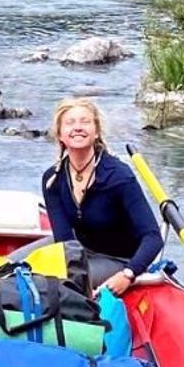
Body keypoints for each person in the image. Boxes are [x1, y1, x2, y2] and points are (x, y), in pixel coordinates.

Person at [39, 97, 164, 295]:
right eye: (70, 123)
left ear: (96, 132)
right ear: (60, 135)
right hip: (79, 250)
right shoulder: (53, 180)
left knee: (59, 280)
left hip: (119, 259)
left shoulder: (119, 177)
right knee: (12, 267)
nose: (78, 128)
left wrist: (128, 274)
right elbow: (63, 242)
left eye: (85, 122)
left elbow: (153, 237)